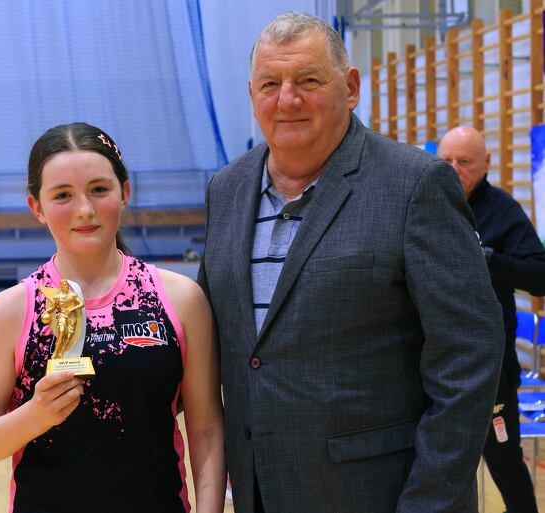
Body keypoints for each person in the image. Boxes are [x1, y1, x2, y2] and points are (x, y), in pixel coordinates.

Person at [197, 12, 504, 513]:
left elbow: (468, 359)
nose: (288, 99)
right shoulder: (226, 189)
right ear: (252, 95)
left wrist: (430, 503)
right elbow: (217, 345)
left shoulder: (415, 184)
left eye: (309, 80)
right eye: (271, 84)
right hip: (259, 493)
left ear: (352, 87)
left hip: (381, 496)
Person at [0, 122, 225, 513]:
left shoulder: (180, 299)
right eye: (62, 195)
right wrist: (35, 415)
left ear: (125, 192)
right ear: (36, 207)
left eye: (99, 189)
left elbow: (206, 428)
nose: (84, 209)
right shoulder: (9, 312)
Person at [439, 125, 545, 513]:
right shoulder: (424, 204)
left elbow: (539, 277)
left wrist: (491, 260)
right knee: (437, 464)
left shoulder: (503, 210)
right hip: (433, 359)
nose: (454, 169)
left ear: (486, 163)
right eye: (446, 161)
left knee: (503, 460)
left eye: (465, 161)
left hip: (491, 364)